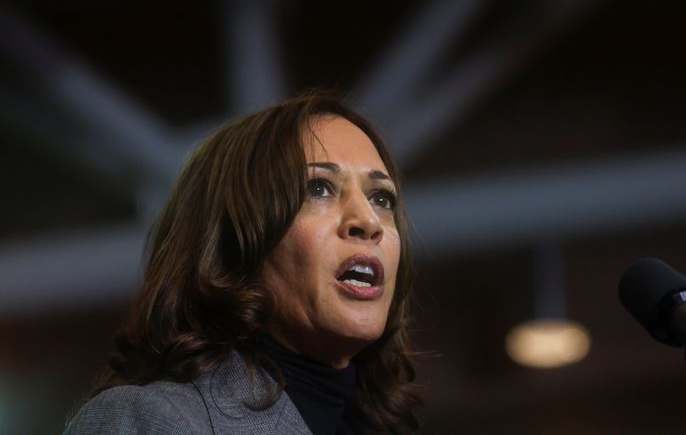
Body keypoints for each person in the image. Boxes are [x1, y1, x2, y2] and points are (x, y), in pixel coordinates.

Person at [64, 91, 422, 434]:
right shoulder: (151, 420)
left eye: (381, 197)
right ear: (230, 244)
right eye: (318, 188)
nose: (369, 221)